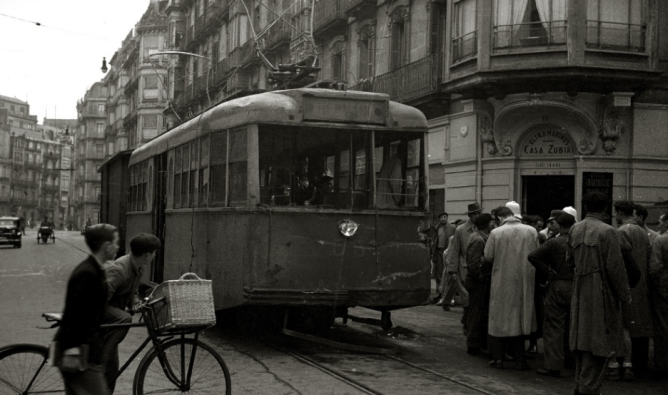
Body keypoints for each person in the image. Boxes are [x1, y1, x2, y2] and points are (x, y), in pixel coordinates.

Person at [568, 192, 631, 395]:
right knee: (599, 341)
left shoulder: (575, 228)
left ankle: (581, 385)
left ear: (585, 207)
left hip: (580, 290)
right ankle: (588, 388)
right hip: (600, 292)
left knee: (581, 341)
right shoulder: (607, 231)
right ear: (604, 209)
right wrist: (624, 295)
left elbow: (570, 261)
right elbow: (615, 267)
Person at [54, 224, 119, 395]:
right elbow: (75, 315)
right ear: (106, 247)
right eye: (116, 242)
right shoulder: (87, 273)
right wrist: (72, 349)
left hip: (85, 348)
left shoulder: (96, 269)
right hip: (80, 351)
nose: (118, 247)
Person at [101, 233, 161, 393]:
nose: (155, 256)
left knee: (112, 370)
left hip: (112, 320)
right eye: (154, 253)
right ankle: (101, 357)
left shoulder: (137, 268)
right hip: (102, 314)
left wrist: (135, 303)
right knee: (125, 318)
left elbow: (132, 291)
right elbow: (99, 299)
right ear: (147, 255)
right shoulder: (120, 269)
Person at [484, 206, 538, 370]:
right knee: (520, 320)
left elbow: (488, 256)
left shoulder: (496, 233)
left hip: (502, 282)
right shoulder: (531, 231)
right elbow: (536, 254)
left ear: (500, 218)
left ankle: (498, 359)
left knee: (500, 319)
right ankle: (520, 360)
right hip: (524, 280)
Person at [606, 201, 652, 381]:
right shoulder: (641, 231)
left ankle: (624, 364)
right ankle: (638, 364)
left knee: (624, 325)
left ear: (618, 213)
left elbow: (620, 261)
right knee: (638, 326)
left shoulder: (622, 232)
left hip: (628, 284)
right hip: (641, 286)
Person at [528, 212, 576, 377]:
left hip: (557, 285)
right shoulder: (579, 241)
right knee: (573, 325)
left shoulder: (554, 242)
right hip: (576, 285)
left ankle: (553, 364)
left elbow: (533, 256)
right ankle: (572, 360)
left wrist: (548, 271)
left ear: (560, 226)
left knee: (554, 326)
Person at [443, 203, 482, 320]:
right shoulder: (461, 230)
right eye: (475, 214)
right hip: (464, 268)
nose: (477, 216)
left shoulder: (483, 229)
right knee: (466, 297)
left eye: (479, 213)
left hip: (479, 269)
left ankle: (469, 321)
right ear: (470, 215)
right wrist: (452, 270)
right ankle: (466, 321)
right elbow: (454, 250)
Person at [464, 213, 495, 355]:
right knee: (476, 313)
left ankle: (477, 342)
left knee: (477, 312)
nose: (494, 224)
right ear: (487, 224)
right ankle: (473, 344)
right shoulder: (478, 239)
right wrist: (481, 276)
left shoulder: (480, 237)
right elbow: (473, 264)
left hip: (477, 281)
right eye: (492, 222)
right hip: (477, 282)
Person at [649, 212, 668, 373]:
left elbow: (655, 267)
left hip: (663, 287)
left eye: (661, 222)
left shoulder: (660, 240)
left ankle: (662, 365)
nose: (658, 225)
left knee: (662, 327)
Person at [423, 212, 456, 304]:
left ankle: (447, 294)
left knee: (447, 273)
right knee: (438, 272)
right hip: (438, 251)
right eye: (441, 217)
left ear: (447, 218)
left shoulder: (452, 228)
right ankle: (439, 291)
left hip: (448, 251)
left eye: (445, 217)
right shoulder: (437, 228)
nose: (443, 219)